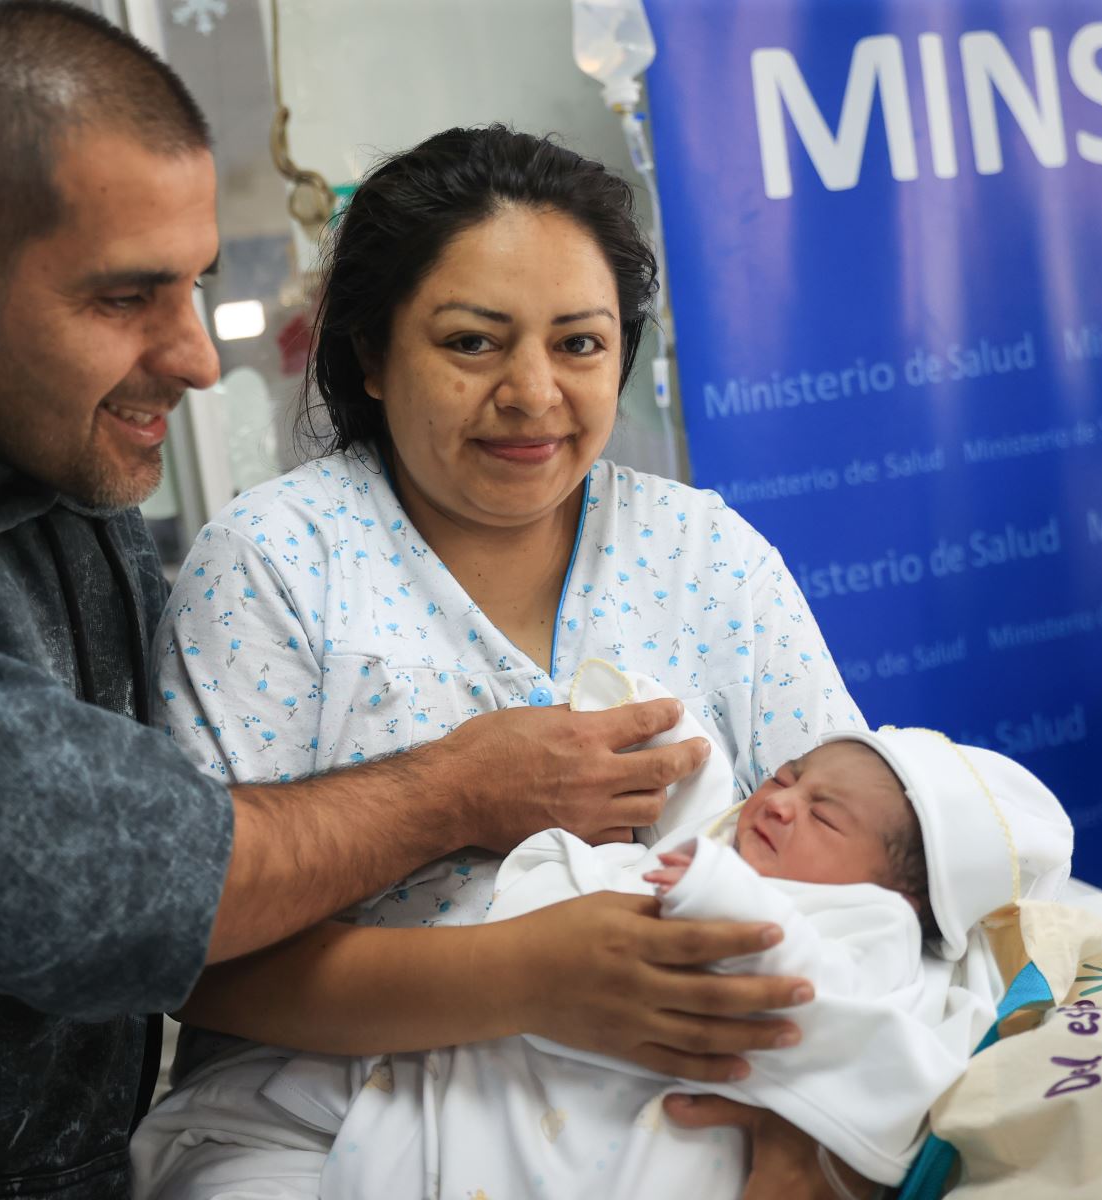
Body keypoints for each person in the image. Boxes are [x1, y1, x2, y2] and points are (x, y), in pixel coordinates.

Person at [0, 7, 778, 1198]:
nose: (194, 353)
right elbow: (99, 889)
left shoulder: (49, 471)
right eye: (126, 297)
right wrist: (461, 792)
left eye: (194, 284)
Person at [136, 127, 871, 1196]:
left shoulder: (707, 557)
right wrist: (525, 977)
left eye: (579, 344)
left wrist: (808, 1120)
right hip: (324, 1120)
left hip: (666, 1105)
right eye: (475, 343)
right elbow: (198, 959)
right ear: (372, 357)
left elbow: (855, 871)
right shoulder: (276, 565)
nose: (533, 394)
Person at [139, 685, 1076, 1200]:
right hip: (405, 1076)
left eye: (820, 813)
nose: (779, 799)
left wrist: (708, 888)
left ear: (901, 895)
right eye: (785, 777)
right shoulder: (272, 557)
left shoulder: (866, 926)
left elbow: (836, 1009)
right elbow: (175, 942)